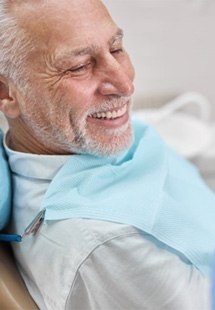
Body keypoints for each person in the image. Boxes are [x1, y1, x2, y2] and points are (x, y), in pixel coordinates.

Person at [0, 0, 214, 309]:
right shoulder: (112, 244)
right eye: (78, 67)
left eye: (116, 49)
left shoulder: (76, 139)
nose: (125, 84)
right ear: (6, 93)